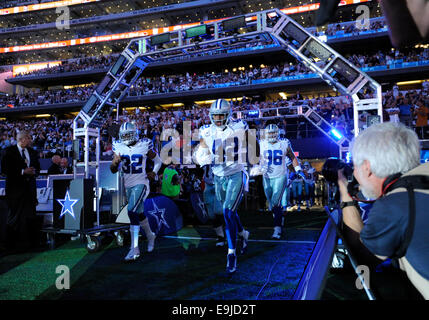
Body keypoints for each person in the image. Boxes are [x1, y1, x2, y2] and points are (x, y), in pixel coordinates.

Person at [337, 122, 429, 299]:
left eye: (354, 166)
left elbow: (362, 258)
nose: (354, 173)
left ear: (367, 167)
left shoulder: (395, 205)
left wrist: (344, 192)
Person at [195, 98, 250, 274]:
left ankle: (231, 253)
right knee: (229, 212)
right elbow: (201, 151)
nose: (218, 119)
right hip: (218, 177)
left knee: (227, 212)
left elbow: (250, 146)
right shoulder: (206, 131)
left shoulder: (239, 127)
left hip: (235, 174)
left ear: (229, 115)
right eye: (215, 115)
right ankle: (243, 233)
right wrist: (202, 158)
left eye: (221, 115)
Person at [110, 122, 162, 262]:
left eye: (129, 134)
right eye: (124, 135)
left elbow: (158, 161)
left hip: (142, 183)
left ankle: (134, 249)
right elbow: (113, 170)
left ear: (135, 134)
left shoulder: (144, 144)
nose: (127, 137)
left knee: (131, 211)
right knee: (138, 214)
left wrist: (154, 172)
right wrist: (115, 163)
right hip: (128, 185)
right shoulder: (118, 146)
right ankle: (151, 235)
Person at [253, 124, 305, 239]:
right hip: (266, 177)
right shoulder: (261, 144)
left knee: (276, 202)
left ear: (277, 133)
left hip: (280, 176)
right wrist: (257, 167)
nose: (272, 135)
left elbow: (292, 156)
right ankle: (280, 219)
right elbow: (256, 159)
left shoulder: (284, 143)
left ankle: (277, 230)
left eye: (273, 133)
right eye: (269, 133)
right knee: (272, 204)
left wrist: (298, 169)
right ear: (266, 134)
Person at [1, 131, 41, 252]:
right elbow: (5, 170)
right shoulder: (9, 151)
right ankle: (10, 246)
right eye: (29, 138)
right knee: (14, 219)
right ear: (22, 139)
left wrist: (34, 171)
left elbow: (38, 167)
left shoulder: (33, 152)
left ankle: (32, 244)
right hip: (15, 192)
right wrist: (22, 172)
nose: (30, 140)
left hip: (30, 191)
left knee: (31, 217)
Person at [202, 164, 225, 246]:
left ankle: (229, 231)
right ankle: (220, 236)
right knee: (211, 215)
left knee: (219, 211)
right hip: (207, 184)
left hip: (219, 183)